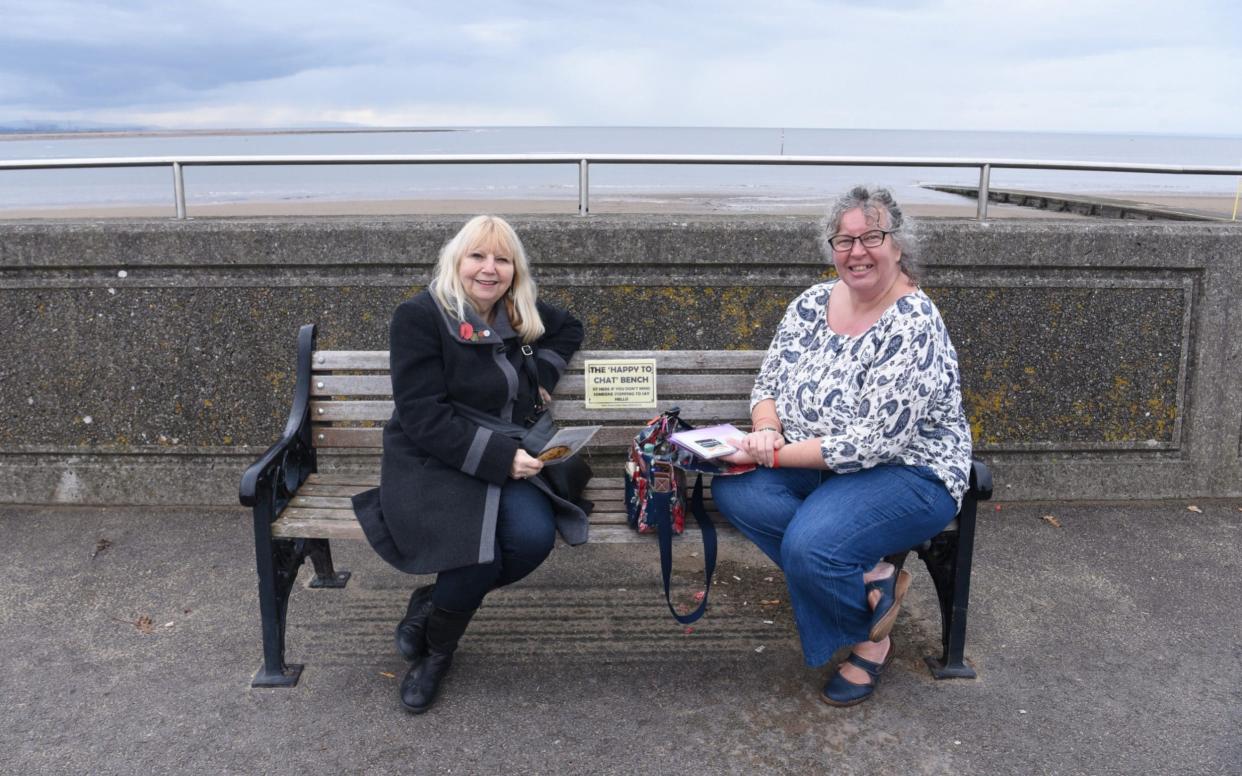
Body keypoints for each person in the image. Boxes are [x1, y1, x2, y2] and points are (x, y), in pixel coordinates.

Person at [711, 185, 972, 707]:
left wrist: (769, 454)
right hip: (818, 462)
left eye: (871, 237)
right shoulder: (811, 301)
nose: (857, 252)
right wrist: (764, 428)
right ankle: (871, 580)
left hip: (908, 472)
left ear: (898, 245)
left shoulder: (913, 322)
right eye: (844, 240)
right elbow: (769, 380)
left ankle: (868, 645)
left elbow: (869, 445)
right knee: (738, 494)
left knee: (812, 546)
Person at [352, 215, 586, 714]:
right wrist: (501, 460)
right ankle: (437, 653)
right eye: (478, 256)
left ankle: (432, 604)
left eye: (502, 259)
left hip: (511, 448)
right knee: (472, 550)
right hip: (434, 455)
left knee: (531, 540)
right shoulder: (420, 315)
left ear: (514, 271)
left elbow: (569, 329)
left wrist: (540, 374)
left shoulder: (517, 311)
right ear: (456, 261)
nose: (489, 268)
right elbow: (421, 415)